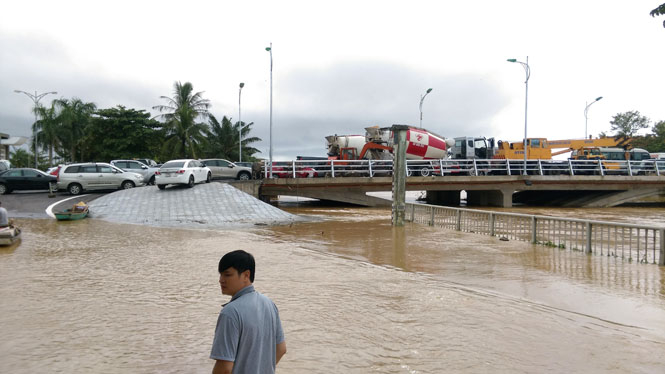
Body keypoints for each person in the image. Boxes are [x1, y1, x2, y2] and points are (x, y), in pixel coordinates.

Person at [211, 250, 286, 374]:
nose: (221, 280)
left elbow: (224, 368)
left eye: (227, 275)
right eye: (220, 274)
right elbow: (281, 349)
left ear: (246, 275)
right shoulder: (269, 304)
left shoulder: (230, 312)